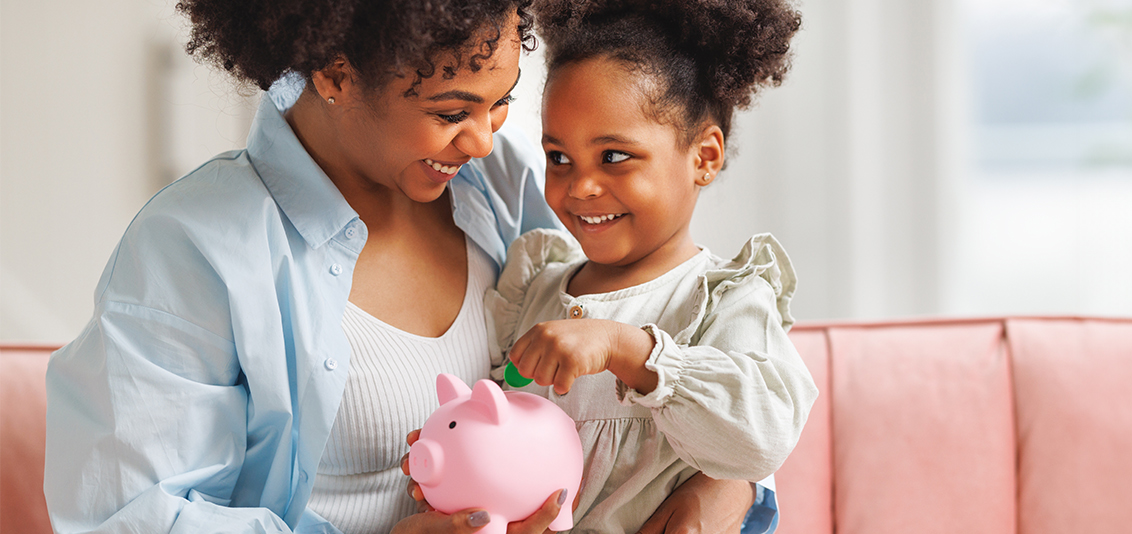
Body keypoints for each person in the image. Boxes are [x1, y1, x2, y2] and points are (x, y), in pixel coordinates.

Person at [43, 0, 776, 532]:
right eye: (453, 109)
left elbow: (676, 329)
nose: (484, 141)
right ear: (336, 73)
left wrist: (732, 484)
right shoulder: (195, 247)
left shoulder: (503, 188)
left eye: (501, 104)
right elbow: (125, 514)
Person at [450, 0, 817, 532]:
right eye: (558, 157)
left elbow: (760, 439)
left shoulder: (726, 301)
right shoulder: (533, 287)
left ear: (704, 157)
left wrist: (628, 350)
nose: (580, 187)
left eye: (614, 157)